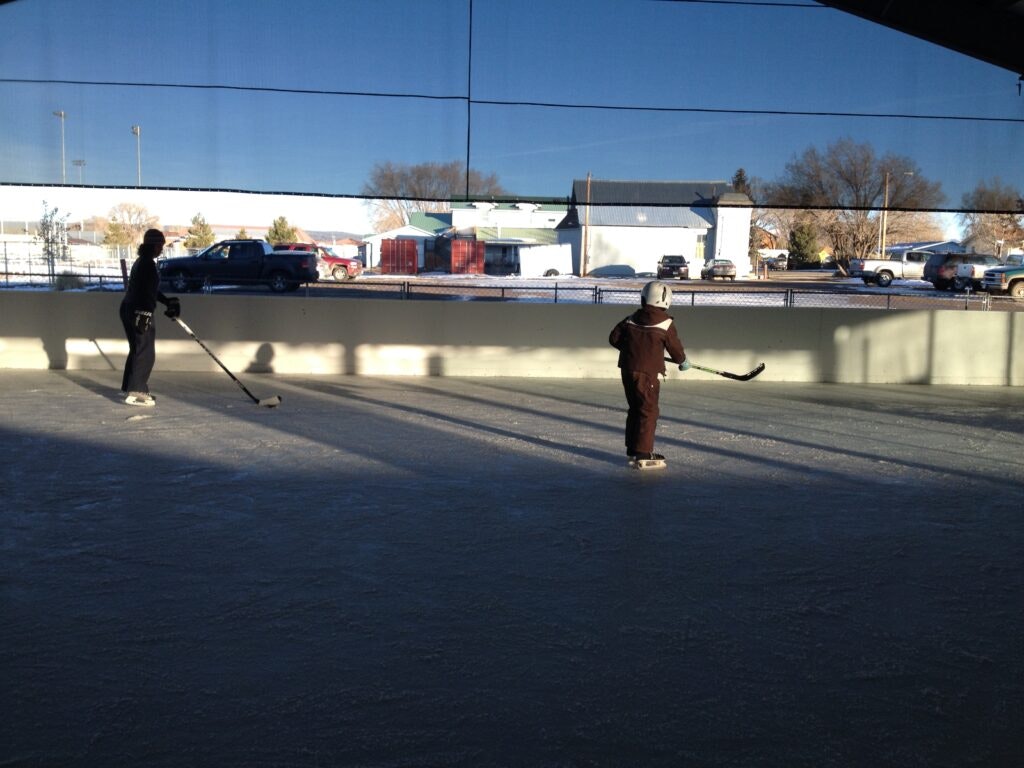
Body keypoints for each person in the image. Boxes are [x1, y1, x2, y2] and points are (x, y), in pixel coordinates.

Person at [608, 281, 689, 465]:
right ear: (666, 301)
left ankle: (633, 448)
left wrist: (631, 350)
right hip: (647, 374)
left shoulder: (631, 318)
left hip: (628, 370)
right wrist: (682, 361)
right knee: (648, 411)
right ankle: (643, 453)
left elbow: (613, 338)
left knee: (635, 408)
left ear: (645, 298)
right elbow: (675, 351)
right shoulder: (666, 323)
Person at [119, 228, 180, 406]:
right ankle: (137, 390)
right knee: (146, 352)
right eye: (160, 244)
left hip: (130, 309)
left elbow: (150, 290)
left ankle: (130, 386)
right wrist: (145, 313)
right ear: (153, 245)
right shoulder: (147, 264)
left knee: (138, 349)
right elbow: (144, 293)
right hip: (139, 311)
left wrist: (166, 301)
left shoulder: (143, 261)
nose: (162, 248)